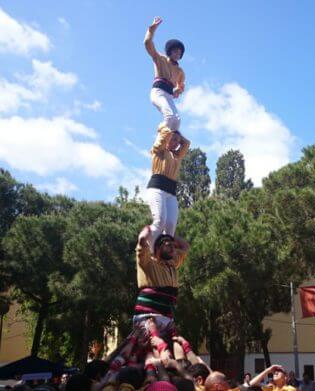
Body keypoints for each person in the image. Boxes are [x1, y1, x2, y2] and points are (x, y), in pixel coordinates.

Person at [104, 227, 189, 380]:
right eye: (165, 244)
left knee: (176, 351)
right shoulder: (149, 264)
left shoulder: (173, 264)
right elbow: (142, 246)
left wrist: (170, 232)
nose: (171, 246)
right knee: (153, 353)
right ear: (156, 249)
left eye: (172, 244)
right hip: (148, 319)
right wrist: (148, 232)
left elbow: (185, 247)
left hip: (167, 320)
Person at [147, 123, 191, 238]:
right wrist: (167, 126)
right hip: (157, 189)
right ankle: (147, 245)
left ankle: (163, 253)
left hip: (171, 192)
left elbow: (187, 143)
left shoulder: (177, 155)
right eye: (174, 140)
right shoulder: (158, 150)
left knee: (171, 225)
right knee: (160, 221)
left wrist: (178, 135)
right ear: (167, 139)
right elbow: (164, 136)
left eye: (178, 141)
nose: (177, 143)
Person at [144, 17, 186, 132]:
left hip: (168, 94)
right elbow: (148, 44)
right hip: (158, 92)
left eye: (180, 52)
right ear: (170, 51)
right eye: (175, 51)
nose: (178, 54)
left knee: (177, 120)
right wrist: (151, 31)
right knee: (169, 116)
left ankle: (170, 147)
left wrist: (178, 90)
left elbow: (181, 85)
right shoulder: (160, 59)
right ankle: (160, 143)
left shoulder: (179, 71)